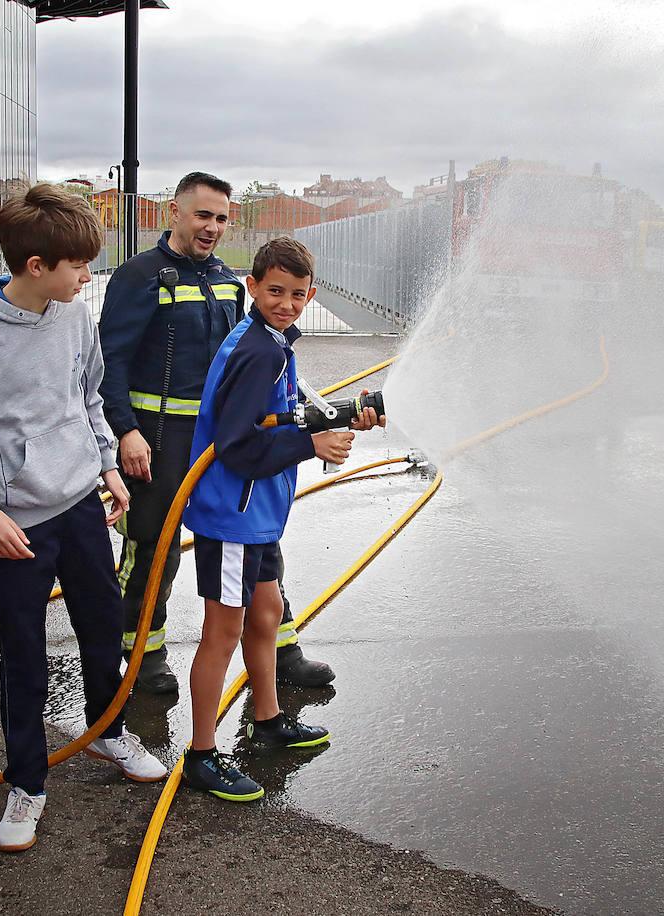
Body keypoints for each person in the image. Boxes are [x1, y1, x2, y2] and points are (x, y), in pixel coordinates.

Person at [0, 184, 165, 853]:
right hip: (16, 524)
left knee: (101, 627)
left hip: (81, 505)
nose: (88, 277)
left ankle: (108, 732)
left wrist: (108, 466)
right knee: (23, 653)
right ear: (36, 266)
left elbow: (85, 399)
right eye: (78, 265)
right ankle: (27, 784)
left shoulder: (74, 316)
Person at [98, 171, 334, 693]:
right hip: (158, 442)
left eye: (222, 218)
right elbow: (108, 362)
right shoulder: (139, 277)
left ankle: (281, 648)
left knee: (253, 538)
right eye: (203, 215)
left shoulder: (229, 281)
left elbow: (256, 361)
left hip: (220, 439)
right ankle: (143, 655)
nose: (212, 227)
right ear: (173, 214)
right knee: (151, 547)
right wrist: (124, 432)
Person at [181, 237, 380, 801]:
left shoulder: (271, 341)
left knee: (266, 613)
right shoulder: (261, 352)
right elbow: (238, 447)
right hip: (235, 518)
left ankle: (267, 720)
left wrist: (335, 421)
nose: (287, 303)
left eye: (297, 294)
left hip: (256, 515)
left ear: (311, 294)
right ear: (253, 286)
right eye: (275, 291)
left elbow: (278, 418)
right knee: (222, 632)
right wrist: (311, 444)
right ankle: (201, 754)